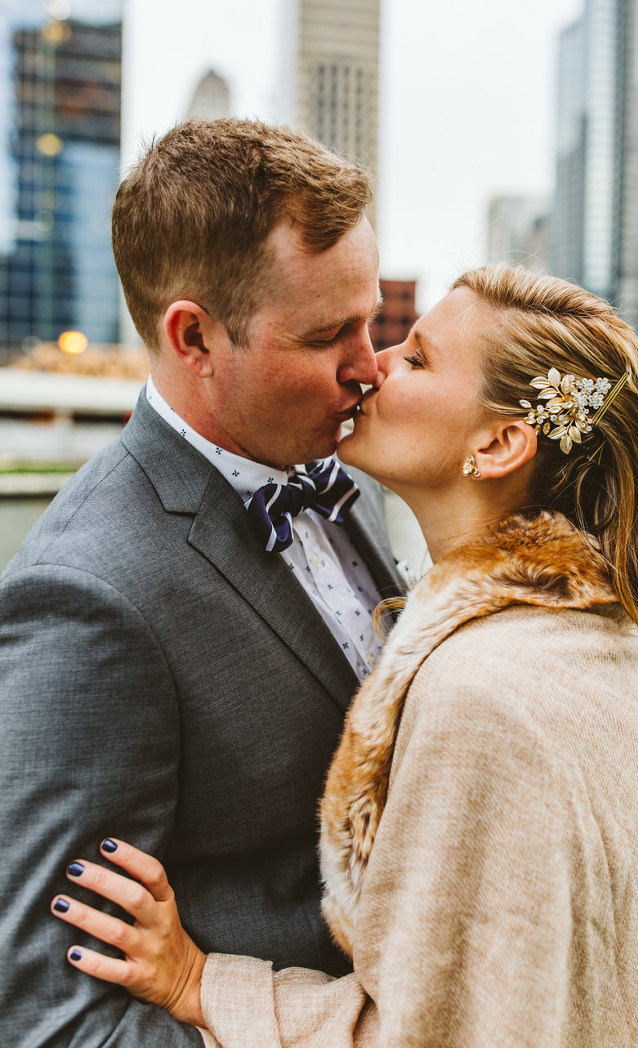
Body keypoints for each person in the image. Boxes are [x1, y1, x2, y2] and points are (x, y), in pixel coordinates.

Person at [50, 266, 638, 1047]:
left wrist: (200, 983)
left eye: (417, 358)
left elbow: (427, 1035)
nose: (373, 365)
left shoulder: (480, 691)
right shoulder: (605, 630)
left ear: (499, 443)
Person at [0, 118, 403, 1047]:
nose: (370, 367)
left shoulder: (361, 474)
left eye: (372, 319)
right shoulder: (86, 596)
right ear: (194, 336)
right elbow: (52, 1020)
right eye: (329, 334)